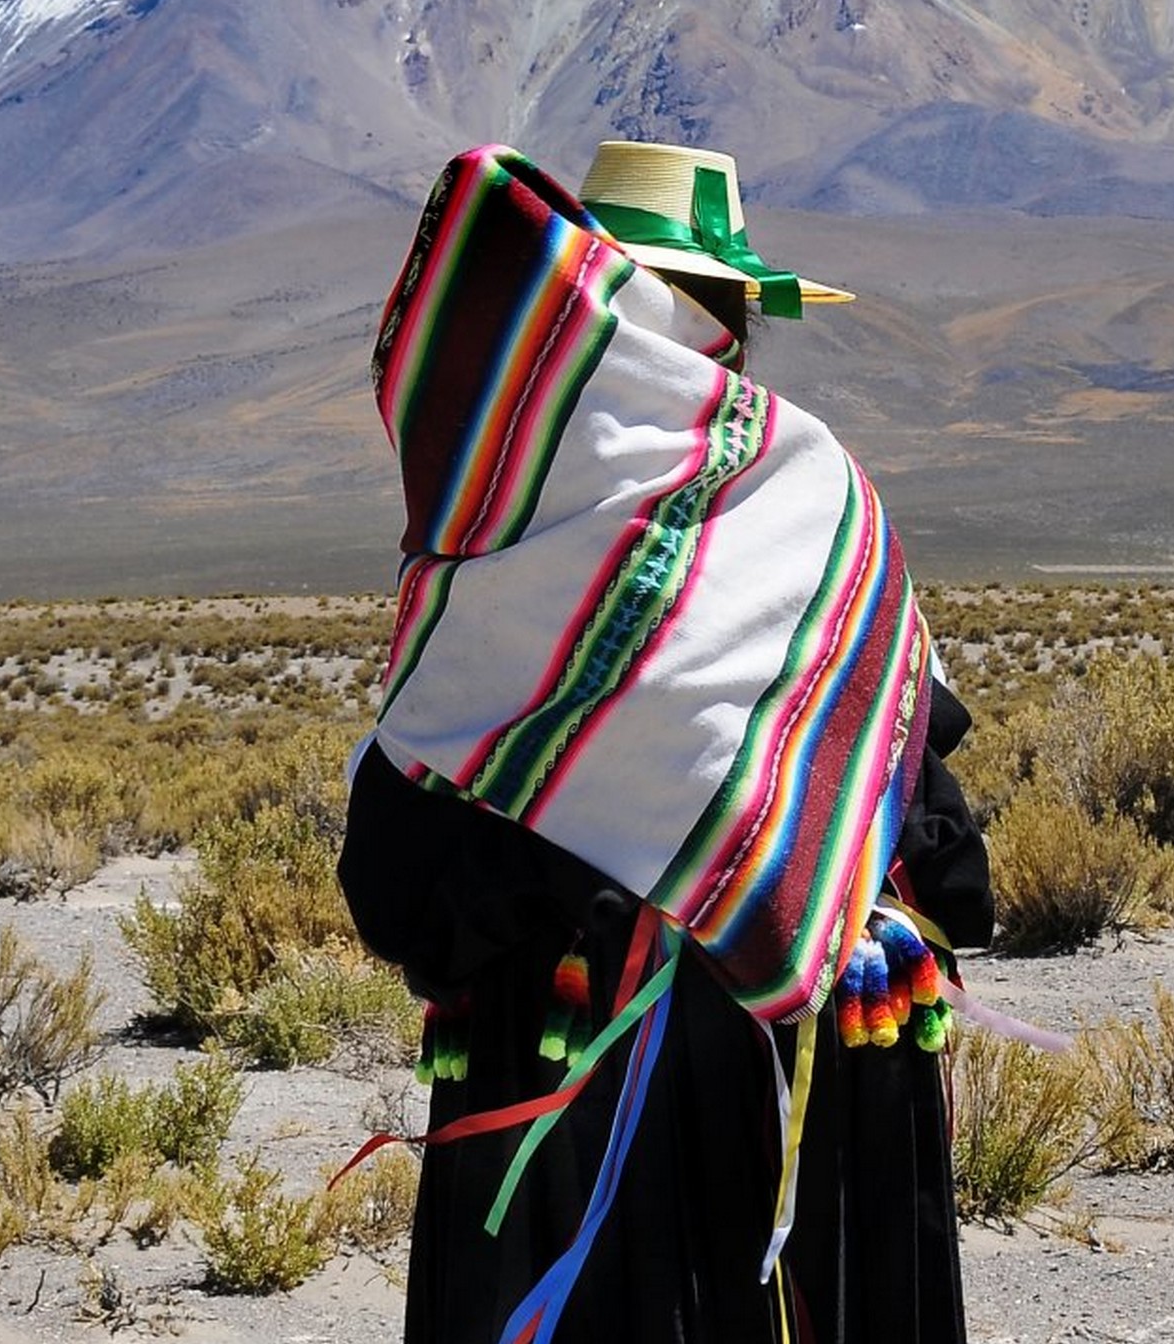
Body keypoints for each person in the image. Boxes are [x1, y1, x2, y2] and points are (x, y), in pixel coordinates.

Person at [338, 139, 993, 1344]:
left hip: (556, 1073)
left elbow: (402, 886)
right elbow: (936, 834)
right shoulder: (814, 504)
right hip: (782, 1072)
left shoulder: (482, 551)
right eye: (724, 308)